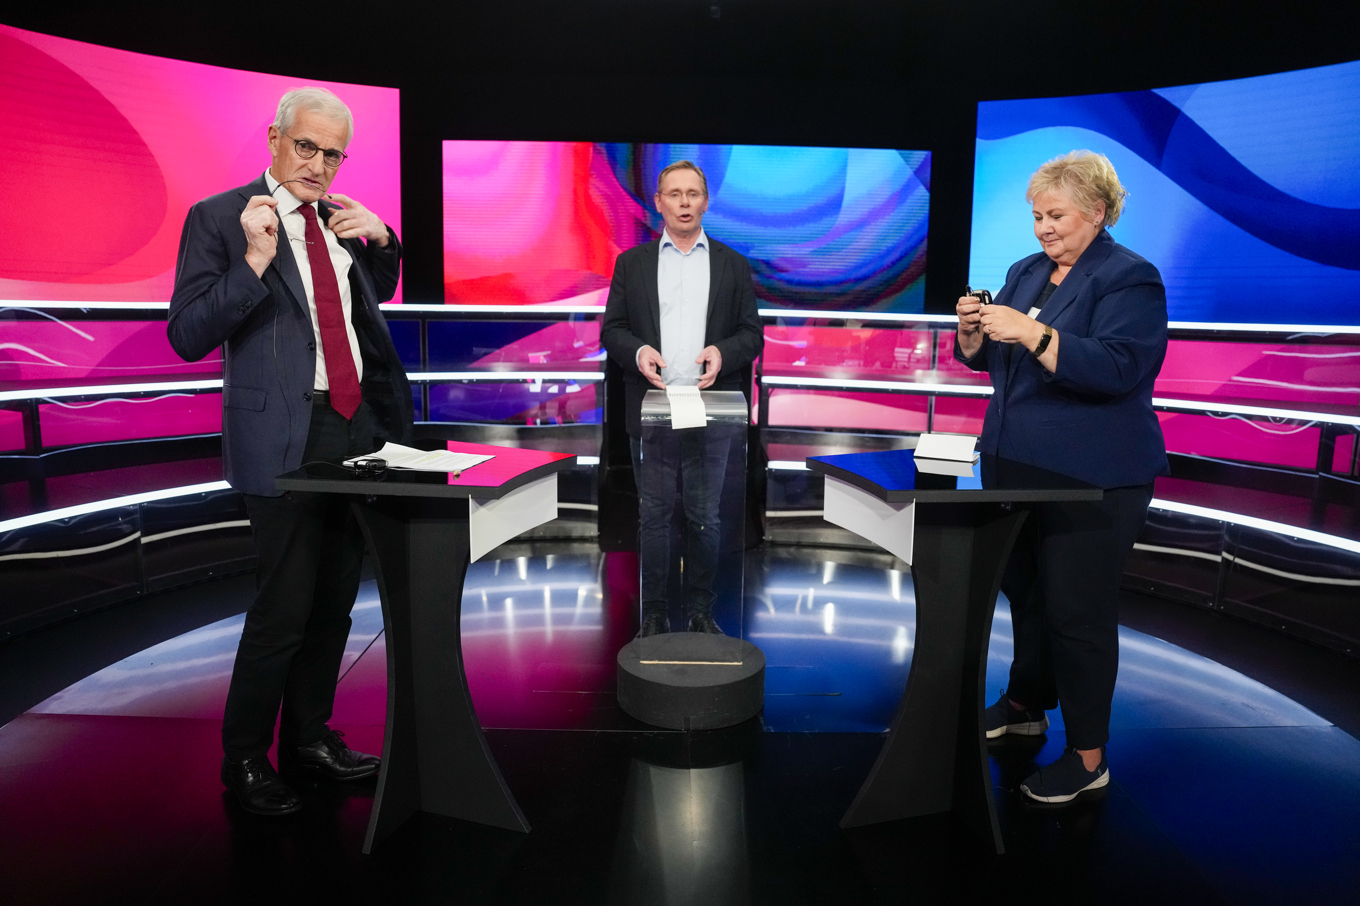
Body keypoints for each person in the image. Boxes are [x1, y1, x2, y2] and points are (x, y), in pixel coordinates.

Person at [168, 87, 413, 816]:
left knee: (336, 600)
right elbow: (187, 335)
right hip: (281, 435)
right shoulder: (220, 216)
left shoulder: (339, 222)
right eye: (306, 146)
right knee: (283, 608)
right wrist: (252, 261)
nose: (319, 165)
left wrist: (385, 245)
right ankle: (243, 760)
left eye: (333, 154)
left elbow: (369, 308)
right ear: (275, 138)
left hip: (354, 432)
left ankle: (308, 737)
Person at [955, 150, 1168, 804]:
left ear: (1097, 212)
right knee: (1028, 594)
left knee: (1078, 612)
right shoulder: (1026, 271)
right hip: (1019, 467)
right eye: (1036, 215)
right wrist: (972, 336)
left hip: (1094, 478)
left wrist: (1029, 332)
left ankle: (1088, 755)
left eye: (1056, 215)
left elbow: (1116, 368)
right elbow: (995, 363)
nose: (1043, 228)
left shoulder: (1130, 278)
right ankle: (1025, 703)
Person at [601, 160, 763, 638]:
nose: (685, 202)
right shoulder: (632, 264)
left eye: (693, 193)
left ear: (706, 201)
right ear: (659, 202)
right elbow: (613, 331)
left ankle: (700, 611)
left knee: (704, 517)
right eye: (675, 194)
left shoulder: (733, 265)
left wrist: (721, 351)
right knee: (653, 516)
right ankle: (652, 615)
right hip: (651, 411)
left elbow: (751, 335)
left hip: (713, 413)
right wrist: (639, 352)